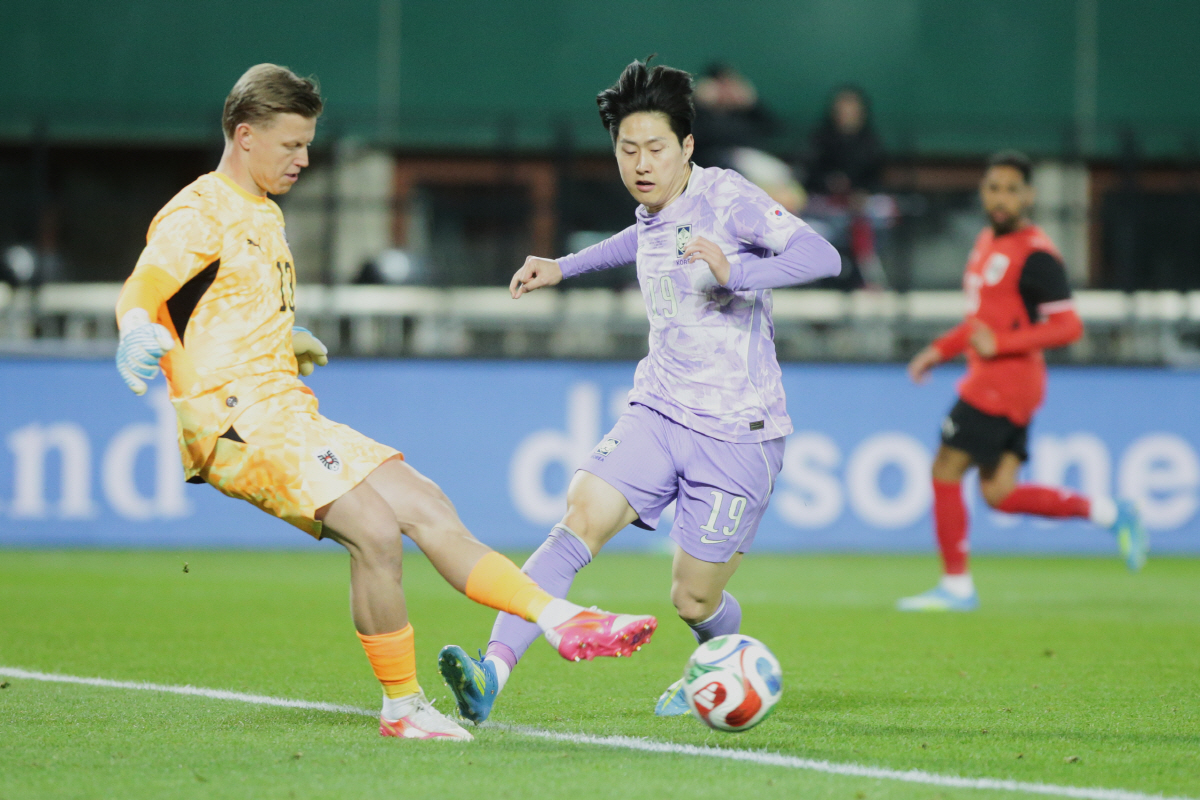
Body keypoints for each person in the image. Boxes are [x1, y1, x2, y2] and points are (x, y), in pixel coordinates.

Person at [112, 63, 657, 742]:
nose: (304, 159)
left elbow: (222, 305)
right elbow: (145, 286)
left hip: (284, 408)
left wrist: (281, 339)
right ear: (245, 136)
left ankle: (559, 618)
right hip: (234, 420)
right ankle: (402, 706)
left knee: (426, 503)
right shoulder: (201, 208)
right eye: (291, 145)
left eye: (308, 144)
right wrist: (136, 328)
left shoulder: (263, 213)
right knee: (372, 530)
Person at [437, 58, 840, 722]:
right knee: (578, 521)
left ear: (686, 147)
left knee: (693, 601)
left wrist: (735, 269)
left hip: (739, 434)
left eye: (656, 148)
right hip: (658, 410)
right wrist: (563, 266)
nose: (641, 162)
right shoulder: (654, 211)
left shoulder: (728, 197)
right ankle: (491, 677)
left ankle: (726, 656)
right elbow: (642, 240)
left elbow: (824, 257)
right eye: (628, 150)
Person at [897, 150, 1148, 612]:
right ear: (983, 191)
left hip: (1001, 383)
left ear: (1029, 195)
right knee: (1000, 493)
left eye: (1012, 189)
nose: (1001, 197)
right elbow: (981, 324)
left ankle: (955, 586)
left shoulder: (1037, 257)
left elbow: (1069, 326)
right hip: (1006, 382)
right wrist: (939, 350)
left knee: (945, 469)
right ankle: (1110, 512)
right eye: (994, 187)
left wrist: (1006, 344)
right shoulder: (986, 242)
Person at [801, 85, 893, 289]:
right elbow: (809, 178)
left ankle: (867, 274)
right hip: (825, 207)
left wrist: (862, 194)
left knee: (880, 211)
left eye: (853, 108)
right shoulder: (821, 139)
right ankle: (822, 280)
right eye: (843, 107)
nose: (847, 113)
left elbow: (875, 179)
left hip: (860, 208)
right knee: (818, 230)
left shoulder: (871, 141)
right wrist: (831, 184)